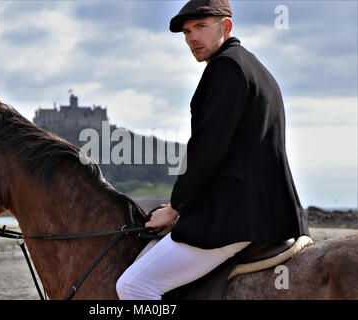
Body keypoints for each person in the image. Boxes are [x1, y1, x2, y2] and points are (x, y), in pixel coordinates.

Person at [116, 0, 310, 300]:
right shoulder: (253, 66)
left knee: (133, 286)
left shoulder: (226, 67)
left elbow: (208, 148)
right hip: (271, 211)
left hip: (236, 218)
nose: (192, 38)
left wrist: (175, 208)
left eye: (202, 27)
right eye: (187, 32)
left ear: (227, 26)